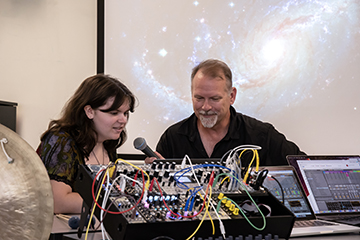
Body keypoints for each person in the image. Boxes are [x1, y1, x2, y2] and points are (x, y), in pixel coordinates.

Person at [147, 59, 305, 165]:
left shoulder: (261, 135)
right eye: (199, 98)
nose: (206, 107)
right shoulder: (173, 138)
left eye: (214, 99)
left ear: (232, 96)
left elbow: (304, 167)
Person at [37, 74, 136, 214]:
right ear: (89, 111)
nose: (123, 120)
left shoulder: (109, 144)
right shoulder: (61, 140)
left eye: (125, 113)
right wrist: (117, 202)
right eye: (114, 113)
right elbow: (58, 202)